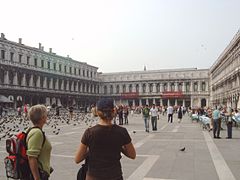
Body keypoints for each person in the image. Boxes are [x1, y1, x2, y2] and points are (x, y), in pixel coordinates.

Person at [75, 98, 136, 180]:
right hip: (115, 176)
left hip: (93, 176)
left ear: (97, 112)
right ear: (114, 111)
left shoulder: (89, 132)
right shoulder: (122, 131)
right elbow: (132, 155)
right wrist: (120, 148)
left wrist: (91, 149)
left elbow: (77, 159)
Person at [26, 105, 52, 180]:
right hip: (39, 175)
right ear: (42, 117)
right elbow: (31, 157)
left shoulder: (35, 130)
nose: (47, 116)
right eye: (46, 114)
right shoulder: (37, 133)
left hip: (42, 173)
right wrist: (37, 178)